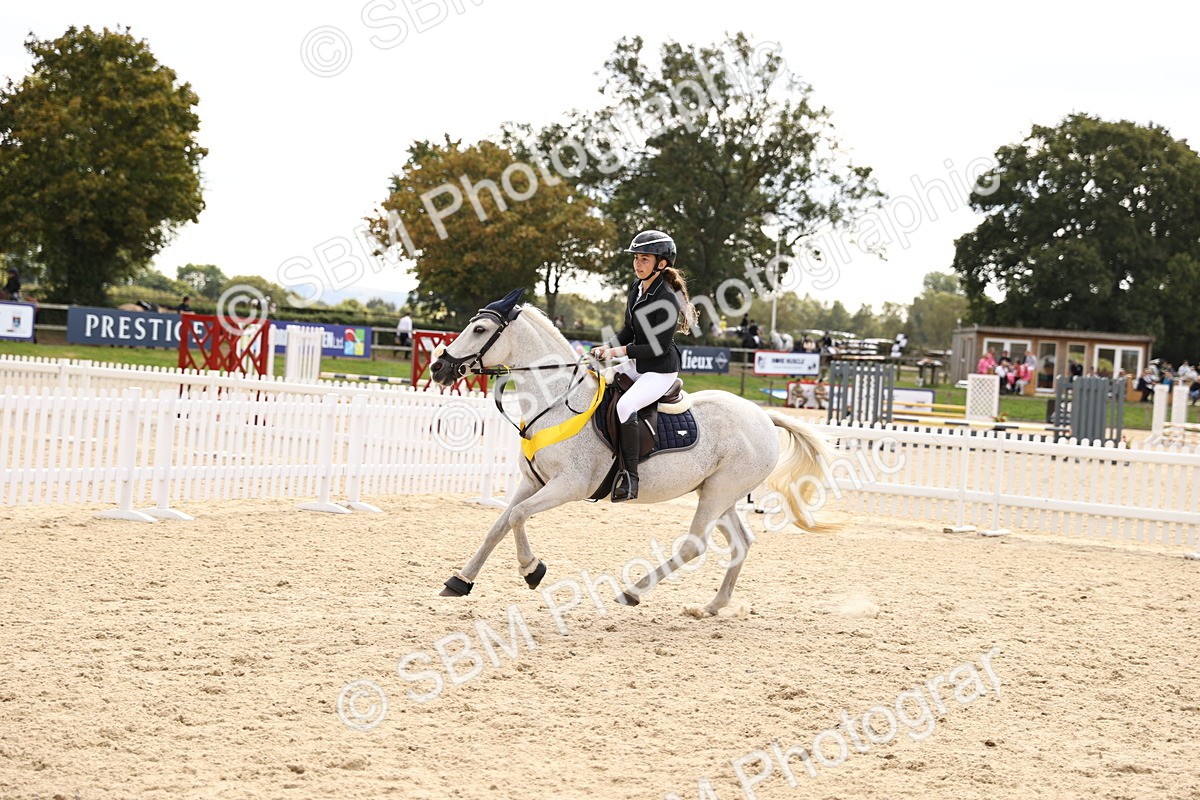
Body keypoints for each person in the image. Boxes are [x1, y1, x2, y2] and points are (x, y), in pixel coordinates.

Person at [591, 230, 695, 502]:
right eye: (636, 258)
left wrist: (617, 351)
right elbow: (628, 329)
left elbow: (657, 347)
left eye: (645, 259)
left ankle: (630, 477)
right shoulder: (636, 289)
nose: (638, 264)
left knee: (626, 406)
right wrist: (606, 346)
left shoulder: (667, 299)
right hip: (638, 363)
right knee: (595, 383)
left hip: (659, 369)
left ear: (661, 264)